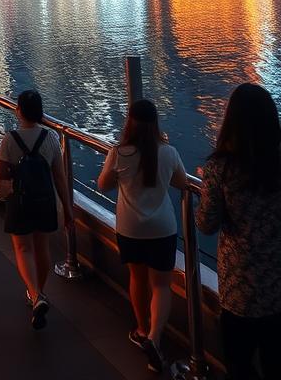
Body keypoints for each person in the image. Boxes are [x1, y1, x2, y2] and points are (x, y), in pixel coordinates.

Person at [197, 83, 281, 380]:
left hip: (242, 285)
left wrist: (205, 190)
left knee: (239, 364)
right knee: (280, 364)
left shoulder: (220, 168)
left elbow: (206, 225)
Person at [97, 99, 186, 372]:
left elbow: (103, 185)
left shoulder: (120, 153)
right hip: (162, 228)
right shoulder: (168, 152)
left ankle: (140, 328)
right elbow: (182, 183)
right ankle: (154, 338)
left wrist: (121, 178)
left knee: (137, 278)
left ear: (130, 122)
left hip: (130, 228)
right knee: (161, 285)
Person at [0, 90, 73, 331]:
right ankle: (40, 291)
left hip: (20, 200)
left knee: (22, 247)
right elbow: (60, 177)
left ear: (18, 111)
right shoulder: (50, 138)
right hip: (45, 199)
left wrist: (17, 172)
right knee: (42, 247)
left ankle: (34, 293)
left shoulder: (10, 138)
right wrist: (68, 210)